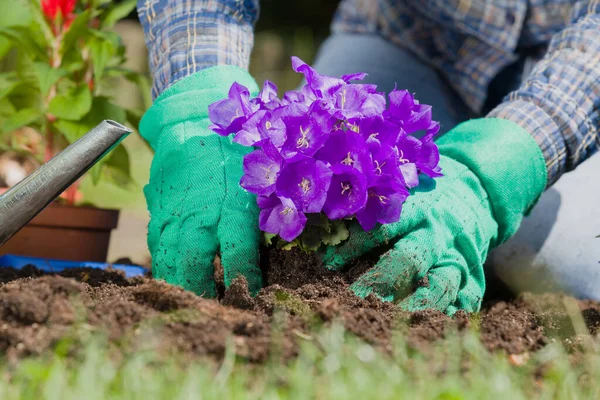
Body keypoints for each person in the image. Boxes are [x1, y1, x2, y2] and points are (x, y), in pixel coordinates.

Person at [135, 0, 600, 314]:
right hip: (411, 41)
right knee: (259, 223)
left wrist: (486, 175)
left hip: (574, 92)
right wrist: (196, 103)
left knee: (566, 265)